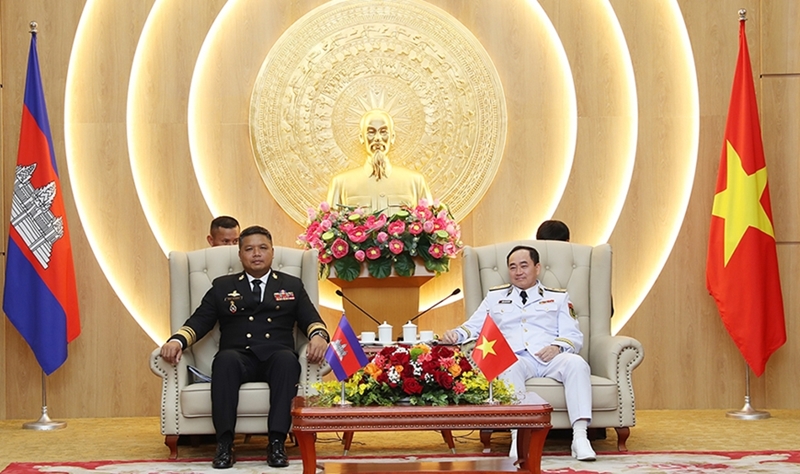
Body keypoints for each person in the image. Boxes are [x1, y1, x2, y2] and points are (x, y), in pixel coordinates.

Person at [160, 225, 329, 469]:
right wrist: (177, 340)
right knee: (224, 361)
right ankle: (225, 444)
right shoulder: (223, 286)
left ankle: (276, 442)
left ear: (272, 252)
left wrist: (319, 336)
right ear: (240, 254)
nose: (256, 254)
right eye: (249, 249)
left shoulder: (291, 285)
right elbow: (200, 320)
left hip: (275, 356)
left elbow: (312, 320)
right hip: (238, 356)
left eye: (263, 248)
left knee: (287, 361)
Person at [441, 245, 596, 461]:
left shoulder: (558, 297)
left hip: (551, 356)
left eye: (524, 266)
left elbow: (573, 334)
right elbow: (473, 326)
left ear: (537, 268)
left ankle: (580, 437)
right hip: (518, 358)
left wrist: (557, 347)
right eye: (512, 267)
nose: (518, 272)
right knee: (508, 364)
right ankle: (517, 438)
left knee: (577, 363)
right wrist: (455, 335)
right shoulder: (495, 297)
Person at [326, 109, 432, 214]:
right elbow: (330, 220)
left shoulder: (416, 182)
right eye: (371, 132)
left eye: (383, 132)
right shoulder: (340, 184)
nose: (377, 138)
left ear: (392, 137)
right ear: (362, 137)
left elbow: (429, 218)